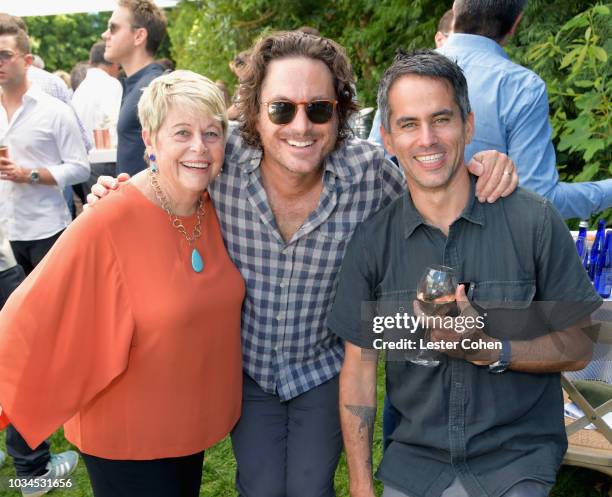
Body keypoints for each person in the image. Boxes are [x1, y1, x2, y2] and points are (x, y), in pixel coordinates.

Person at [88, 30, 519, 497]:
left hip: (321, 365)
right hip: (246, 364)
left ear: (339, 114)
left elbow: (432, 195)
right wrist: (117, 194)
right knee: (262, 486)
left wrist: (481, 165)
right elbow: (168, 175)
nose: (301, 126)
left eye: (318, 109)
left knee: (312, 486)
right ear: (254, 111)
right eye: (281, 109)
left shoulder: (368, 173)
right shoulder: (221, 158)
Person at [329, 49, 600, 497]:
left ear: (468, 125)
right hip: (415, 465)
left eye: (442, 119)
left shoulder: (532, 222)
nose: (427, 139)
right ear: (387, 138)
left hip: (513, 462)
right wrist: (360, 484)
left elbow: (579, 345)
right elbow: (359, 368)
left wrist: (491, 349)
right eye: (409, 124)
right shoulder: (373, 242)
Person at [0, 70, 245, 497]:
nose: (199, 148)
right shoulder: (109, 216)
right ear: (150, 140)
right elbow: (31, 312)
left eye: (211, 133)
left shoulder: (216, 207)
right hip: (126, 435)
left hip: (186, 425)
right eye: (181, 132)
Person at [438, 0, 612, 219]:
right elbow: (539, 200)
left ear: (454, 9)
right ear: (515, 24)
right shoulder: (521, 87)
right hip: (493, 248)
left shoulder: (403, 78)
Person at [102, 0, 167, 176]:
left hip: (149, 201)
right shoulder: (139, 84)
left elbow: (165, 160)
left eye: (113, 28)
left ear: (139, 36)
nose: (105, 35)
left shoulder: (155, 87)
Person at [72, 41, 122, 188]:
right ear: (114, 64)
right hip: (107, 162)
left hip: (87, 162)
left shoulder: (80, 89)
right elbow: (112, 122)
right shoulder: (111, 84)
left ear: (90, 61)